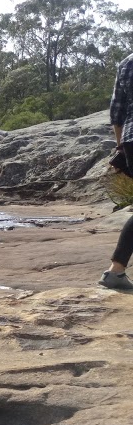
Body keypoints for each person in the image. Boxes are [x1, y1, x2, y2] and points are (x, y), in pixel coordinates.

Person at [99, 52, 133, 290]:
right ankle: (116, 271)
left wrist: (122, 147)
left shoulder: (127, 62)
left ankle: (116, 272)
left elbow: (117, 111)